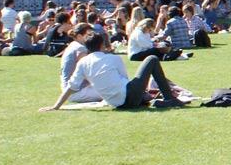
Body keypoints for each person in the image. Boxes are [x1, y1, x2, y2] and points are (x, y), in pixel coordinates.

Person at [42, 33, 187, 109]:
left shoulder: (83, 63)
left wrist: (56, 106)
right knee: (152, 59)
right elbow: (125, 79)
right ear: (102, 45)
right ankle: (170, 99)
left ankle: (157, 99)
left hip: (117, 103)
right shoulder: (113, 58)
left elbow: (71, 87)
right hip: (128, 96)